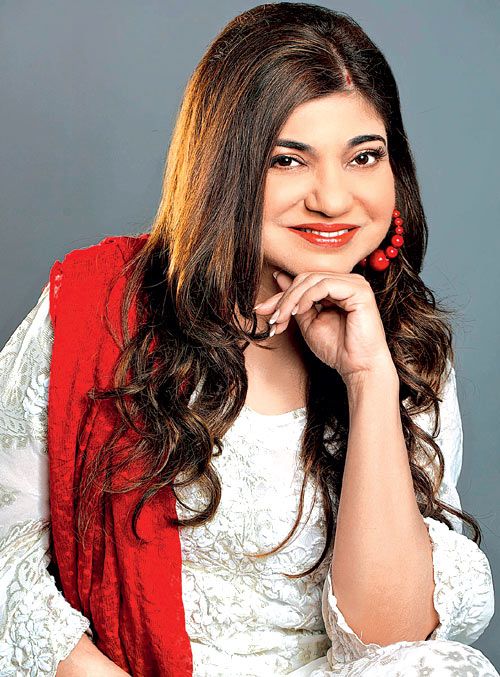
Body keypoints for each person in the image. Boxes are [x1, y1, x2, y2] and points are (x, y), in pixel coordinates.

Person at [0, 2, 497, 675]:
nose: (332, 197)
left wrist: (368, 379)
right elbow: (5, 552)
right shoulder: (98, 306)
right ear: (224, 169)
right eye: (288, 160)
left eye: (364, 157)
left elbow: (390, 642)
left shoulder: (401, 341)